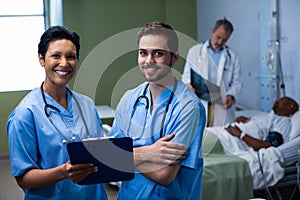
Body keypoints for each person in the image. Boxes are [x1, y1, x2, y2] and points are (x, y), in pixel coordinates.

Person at [6, 26, 108, 199]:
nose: (64, 63)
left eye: (71, 57)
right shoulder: (25, 114)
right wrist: (63, 172)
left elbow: (100, 153)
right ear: (41, 59)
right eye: (56, 56)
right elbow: (23, 178)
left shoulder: (87, 105)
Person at [109, 22, 206, 200]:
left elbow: (164, 175)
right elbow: (110, 160)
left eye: (158, 53)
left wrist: (125, 155)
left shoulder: (189, 108)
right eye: (143, 53)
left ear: (174, 58)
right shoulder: (129, 99)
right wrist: (149, 153)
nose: (149, 61)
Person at [182, 17, 242, 126]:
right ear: (212, 31)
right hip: (200, 100)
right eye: (218, 37)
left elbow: (237, 82)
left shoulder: (232, 56)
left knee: (221, 137)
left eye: (224, 40)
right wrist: (188, 85)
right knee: (202, 135)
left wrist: (231, 96)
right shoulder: (195, 51)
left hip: (221, 103)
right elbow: (186, 76)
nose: (220, 42)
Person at [224, 96, 299, 151]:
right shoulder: (267, 115)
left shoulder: (283, 122)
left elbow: (267, 145)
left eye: (282, 100)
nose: (276, 101)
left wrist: (240, 134)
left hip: (234, 140)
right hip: (228, 131)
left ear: (290, 106)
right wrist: (240, 120)